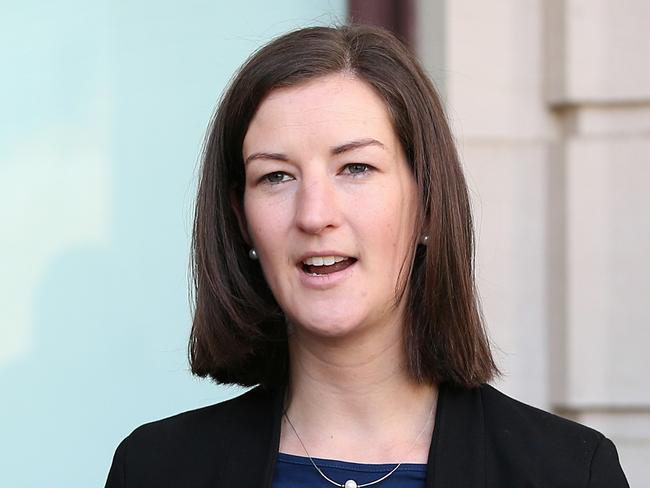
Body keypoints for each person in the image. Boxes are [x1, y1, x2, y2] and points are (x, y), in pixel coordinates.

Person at [105, 25, 628, 488]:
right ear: (242, 222)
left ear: (427, 204)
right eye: (276, 176)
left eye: (355, 168)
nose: (314, 214)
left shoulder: (569, 472)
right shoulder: (155, 469)